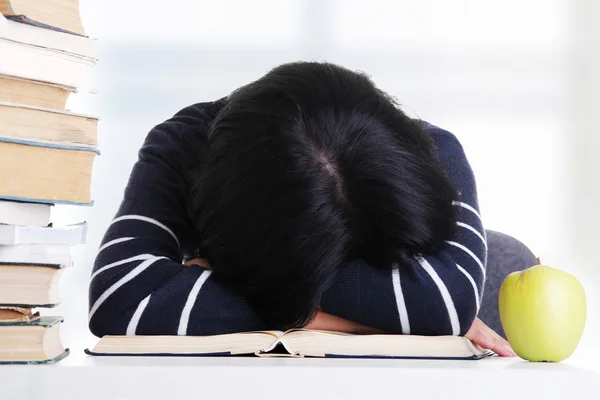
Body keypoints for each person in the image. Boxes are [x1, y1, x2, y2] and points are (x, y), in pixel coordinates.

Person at [88, 62, 536, 356]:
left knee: (508, 261)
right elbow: (118, 300)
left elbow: (446, 307)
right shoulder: (186, 143)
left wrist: (228, 282)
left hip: (468, 321)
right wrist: (360, 322)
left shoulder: (430, 149)